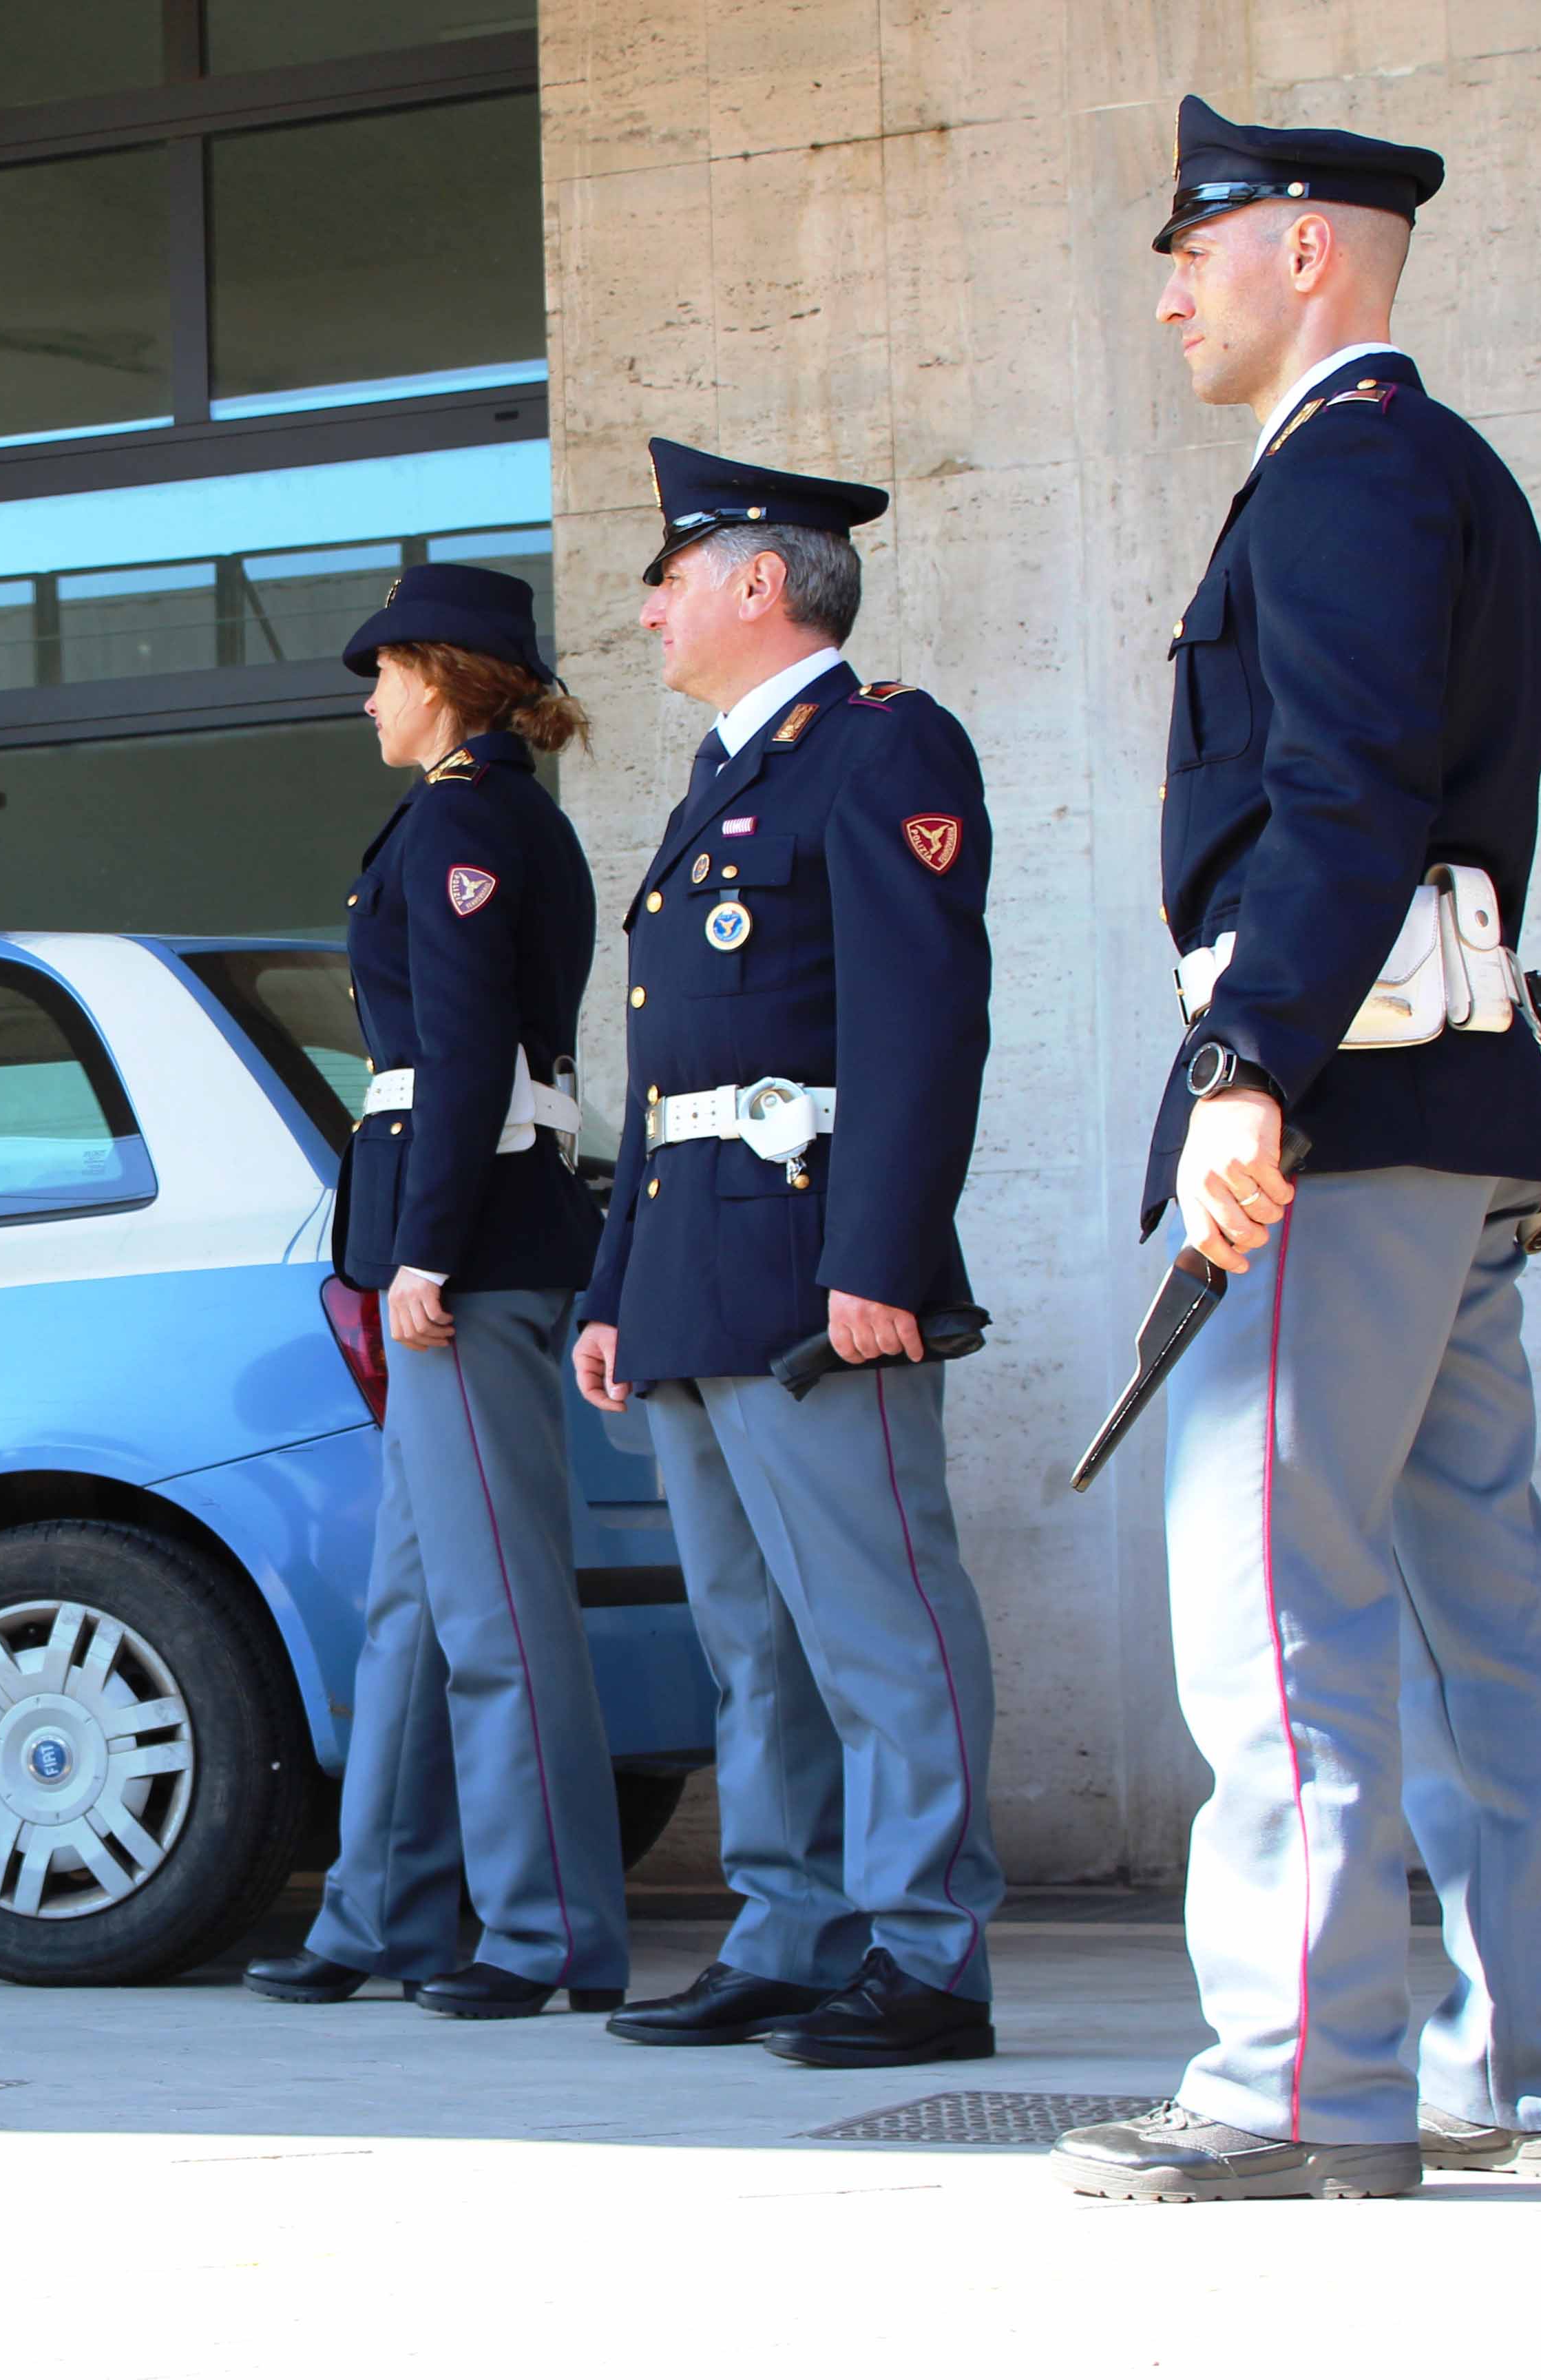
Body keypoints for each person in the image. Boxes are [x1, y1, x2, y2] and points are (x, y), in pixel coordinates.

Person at [1052, 98, 1541, 2202]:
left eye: (1194, 247)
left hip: (1343, 1114)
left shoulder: (1350, 468)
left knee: (1278, 1611)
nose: (1169, 288)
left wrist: (1246, 1069)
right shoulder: (1436, 472)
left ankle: (1305, 2079)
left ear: (1310, 251)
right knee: (1491, 1605)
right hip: (1448, 1111)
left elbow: (1348, 795)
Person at [572, 441, 1006, 2069]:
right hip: (696, 1277)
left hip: (822, 1271)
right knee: (752, 1640)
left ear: (762, 582)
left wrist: (882, 1256)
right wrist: (616, 1293)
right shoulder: (721, 776)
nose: (646, 612)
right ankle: (792, 1927)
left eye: (669, 577)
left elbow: (920, 1027)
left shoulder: (880, 747)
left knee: (880, 1624)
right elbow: (662, 1069)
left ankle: (928, 1949)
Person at [242, 563, 633, 2020]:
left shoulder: (472, 821)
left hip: (467, 1255)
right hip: (457, 1237)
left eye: (383, 675)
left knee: (495, 1614)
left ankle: (552, 1934)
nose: (369, 701)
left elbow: (467, 1053)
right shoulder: (472, 812)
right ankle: (382, 1913)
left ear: (445, 677)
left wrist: (428, 1250)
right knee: (411, 1612)